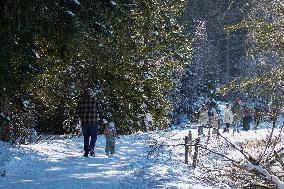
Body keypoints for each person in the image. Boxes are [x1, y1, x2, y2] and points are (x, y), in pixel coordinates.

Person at [75, 88, 100, 157]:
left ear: (85, 93)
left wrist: (76, 119)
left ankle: (86, 152)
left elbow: (77, 112)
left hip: (84, 122)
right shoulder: (95, 101)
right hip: (94, 122)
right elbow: (99, 111)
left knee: (86, 137)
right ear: (91, 93)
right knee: (94, 136)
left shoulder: (81, 101)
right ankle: (91, 147)